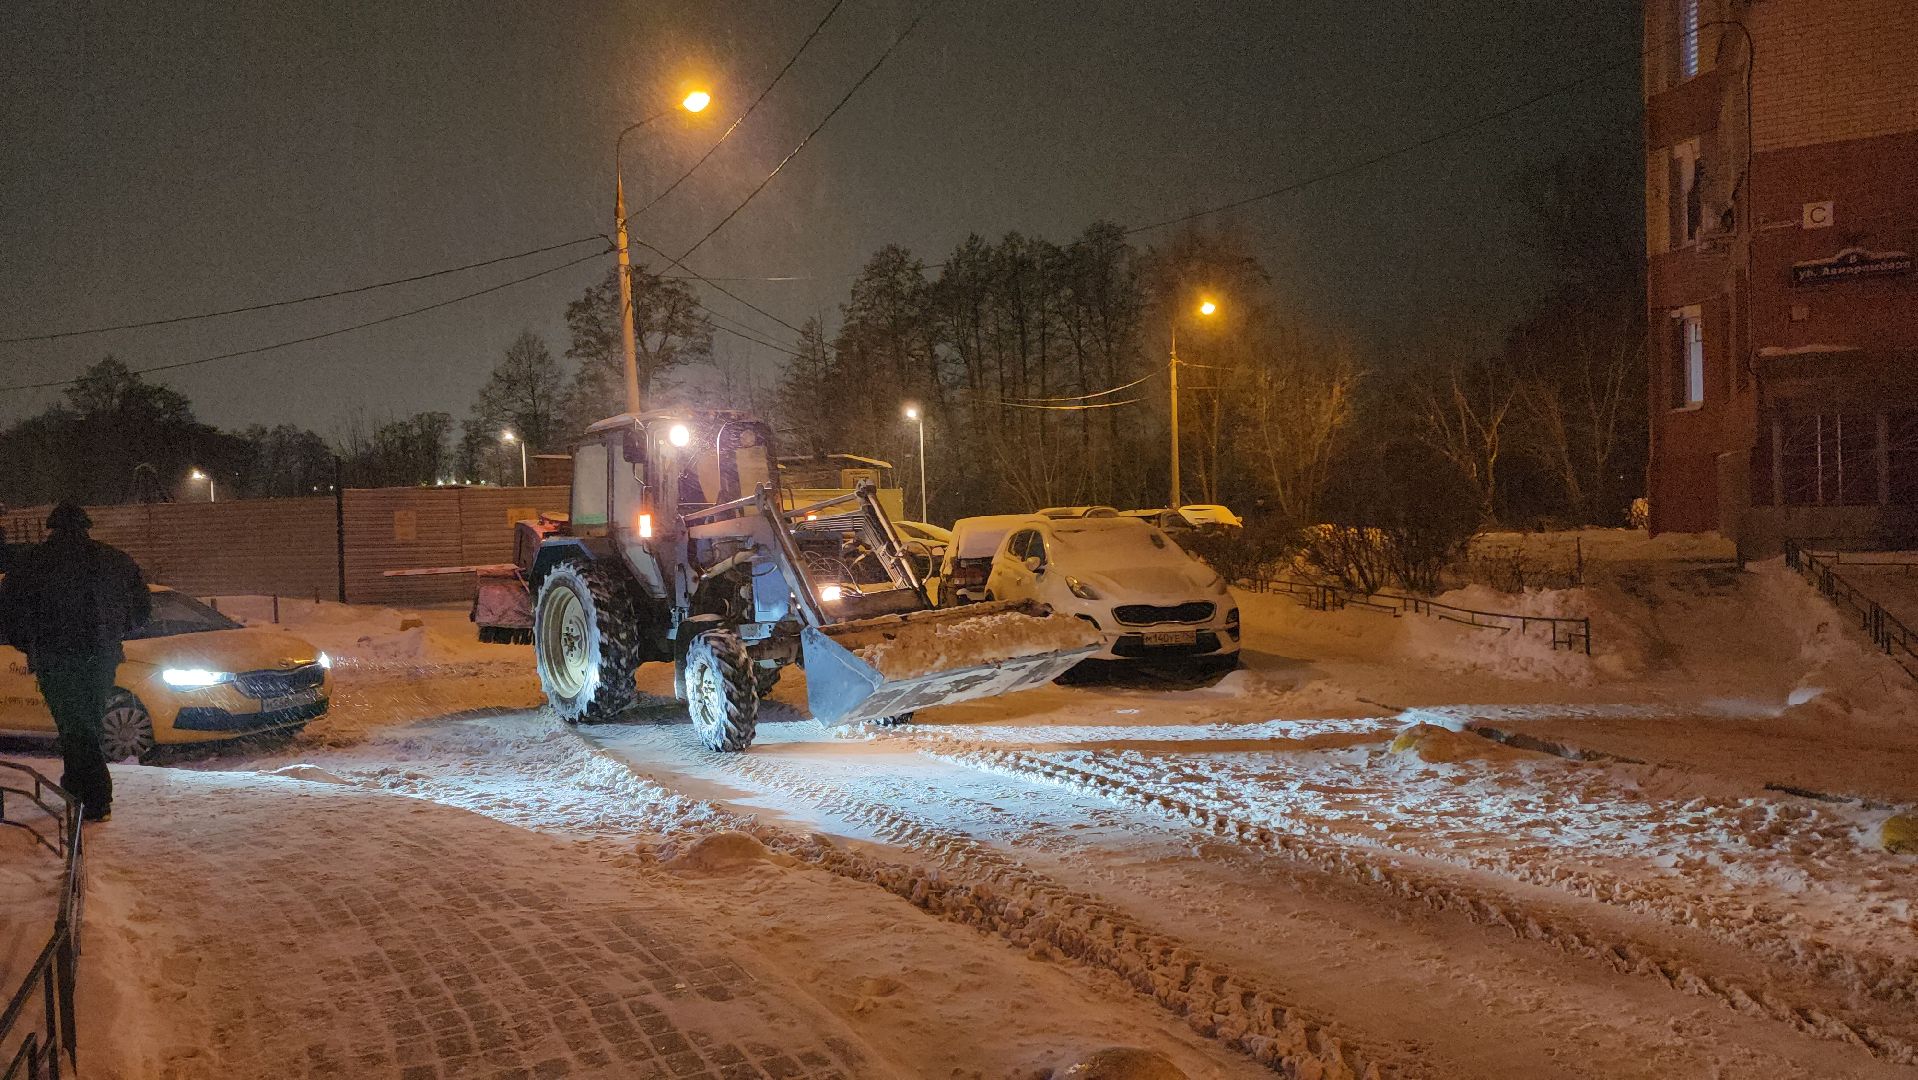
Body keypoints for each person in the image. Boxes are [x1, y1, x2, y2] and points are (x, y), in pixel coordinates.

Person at [0, 503, 150, 822]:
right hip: (100, 655)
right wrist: (115, 631)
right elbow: (141, 608)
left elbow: (8, 611)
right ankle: (79, 791)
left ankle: (93, 796)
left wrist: (28, 643)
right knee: (85, 722)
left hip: (55, 657)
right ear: (86, 525)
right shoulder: (113, 559)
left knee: (74, 723)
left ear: (51, 527)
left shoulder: (31, 563)